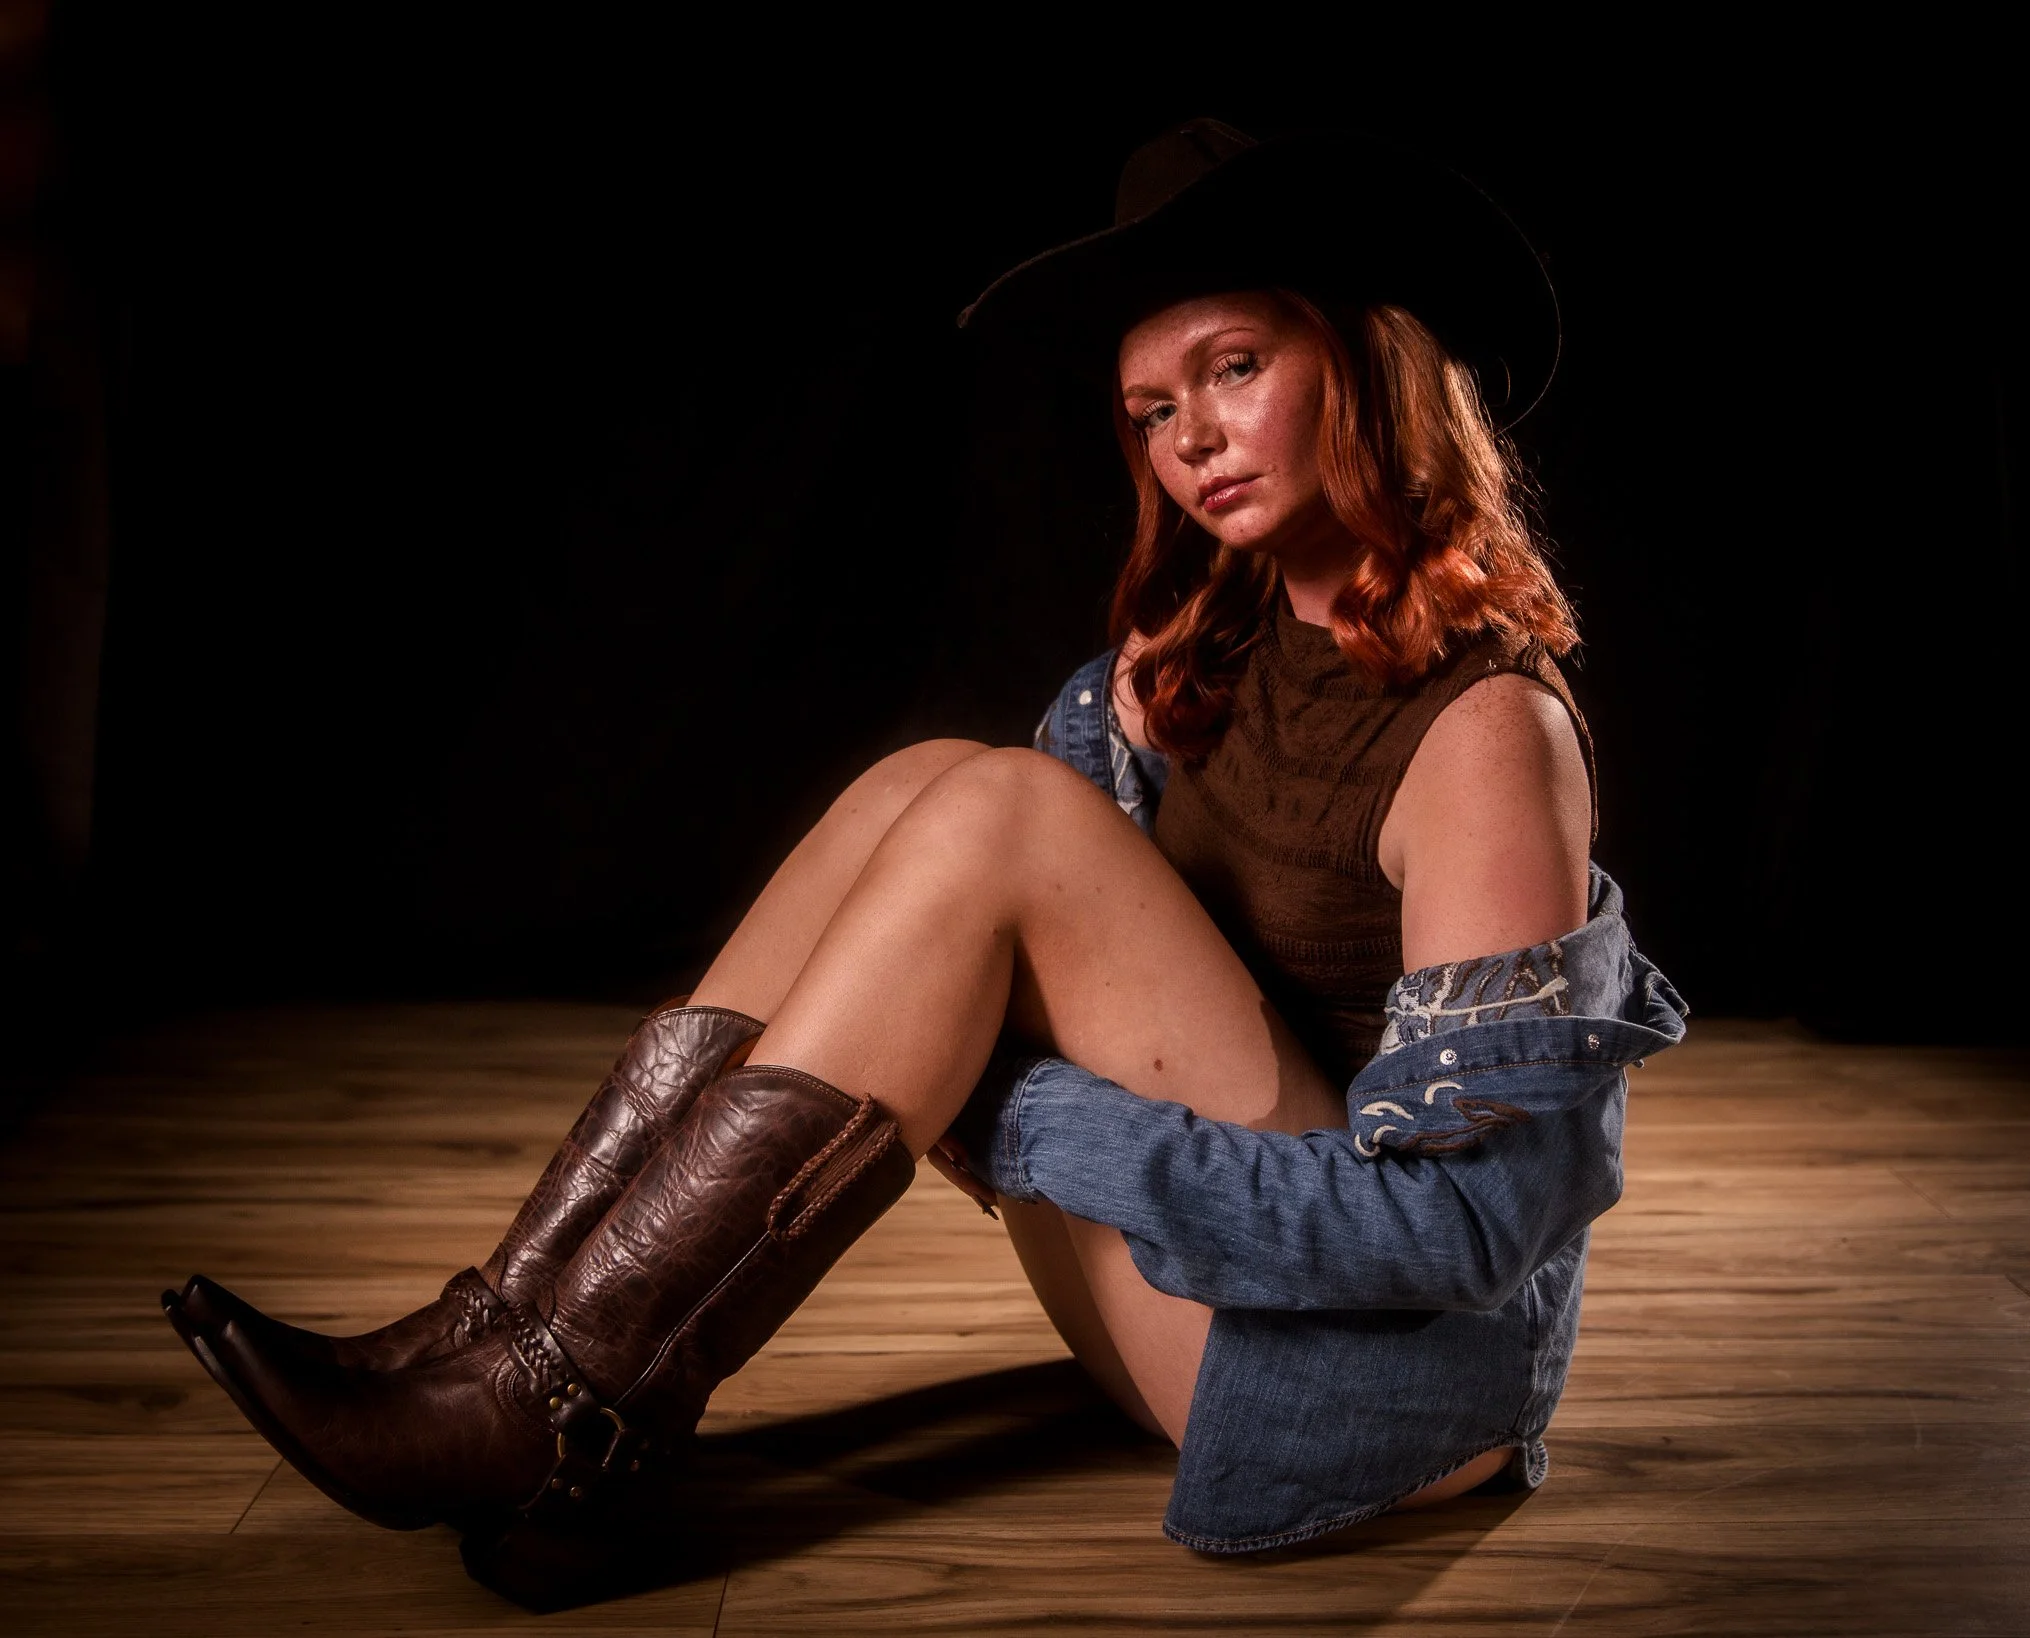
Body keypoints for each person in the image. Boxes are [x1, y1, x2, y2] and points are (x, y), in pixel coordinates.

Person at [164, 119, 1684, 1600]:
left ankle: (557, 1408)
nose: (1190, 440)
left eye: (1236, 368)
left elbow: (1473, 1233)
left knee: (1005, 811)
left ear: (1364, 357)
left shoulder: (1486, 732)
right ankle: (510, 1341)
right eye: (1151, 408)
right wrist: (1002, 991)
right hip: (1201, 1310)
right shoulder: (1205, 652)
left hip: (1376, 1399)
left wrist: (1013, 1114)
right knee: (934, 782)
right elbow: (989, 912)